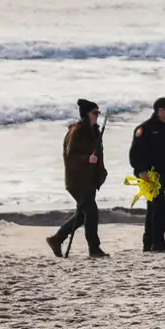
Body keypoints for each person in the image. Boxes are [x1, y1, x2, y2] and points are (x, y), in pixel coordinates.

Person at [47, 99, 108, 259]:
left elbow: (98, 154)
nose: (97, 116)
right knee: (91, 211)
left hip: (89, 179)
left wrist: (101, 171)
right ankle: (94, 249)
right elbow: (70, 156)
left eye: (98, 113)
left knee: (83, 215)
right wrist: (87, 159)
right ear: (86, 114)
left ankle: (57, 239)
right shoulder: (77, 131)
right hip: (77, 180)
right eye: (94, 113)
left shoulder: (94, 130)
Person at [129, 97, 165, 253]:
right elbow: (134, 153)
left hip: (160, 174)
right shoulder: (144, 129)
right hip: (147, 175)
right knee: (159, 207)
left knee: (154, 208)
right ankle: (157, 242)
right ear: (161, 111)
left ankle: (149, 242)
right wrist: (141, 170)